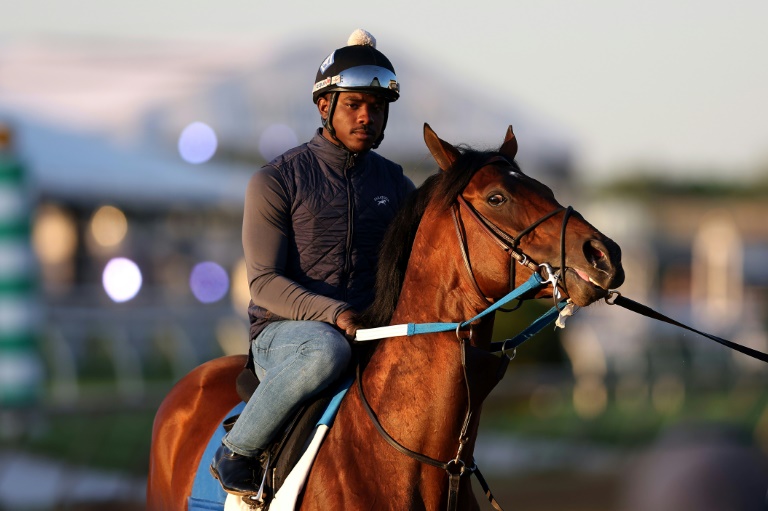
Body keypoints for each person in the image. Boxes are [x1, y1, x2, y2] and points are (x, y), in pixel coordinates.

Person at [210, 29, 415, 497]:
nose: (367, 116)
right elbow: (262, 283)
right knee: (328, 350)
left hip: (369, 328)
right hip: (286, 336)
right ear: (325, 107)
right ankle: (237, 451)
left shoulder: (397, 185)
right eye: (354, 105)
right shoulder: (275, 180)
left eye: (377, 107)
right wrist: (333, 312)